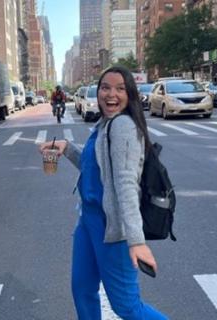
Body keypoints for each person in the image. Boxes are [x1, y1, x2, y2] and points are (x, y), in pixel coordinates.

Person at [39, 65, 168, 319]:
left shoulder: (122, 126)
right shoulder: (104, 124)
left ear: (129, 95)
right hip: (89, 222)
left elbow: (126, 183)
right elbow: (95, 169)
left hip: (112, 230)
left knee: (127, 307)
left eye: (120, 89)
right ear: (97, 92)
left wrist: (136, 241)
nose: (111, 94)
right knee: (83, 290)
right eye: (105, 87)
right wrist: (66, 148)